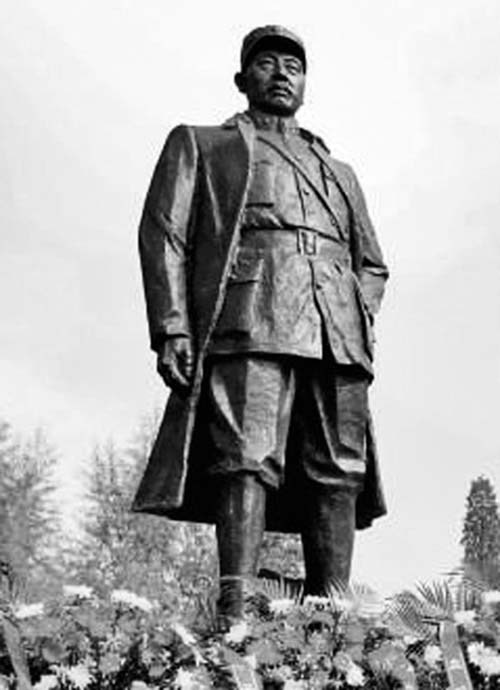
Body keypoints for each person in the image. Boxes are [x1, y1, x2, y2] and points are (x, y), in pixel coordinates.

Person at [132, 25, 389, 625]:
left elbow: (373, 263)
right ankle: (238, 605)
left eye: (293, 67)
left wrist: (356, 307)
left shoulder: (338, 170)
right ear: (242, 78)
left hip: (335, 329)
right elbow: (163, 235)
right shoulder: (203, 144)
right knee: (245, 456)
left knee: (340, 468)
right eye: (268, 63)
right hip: (250, 312)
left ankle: (332, 615)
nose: (281, 74)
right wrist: (172, 326)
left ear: (306, 84)